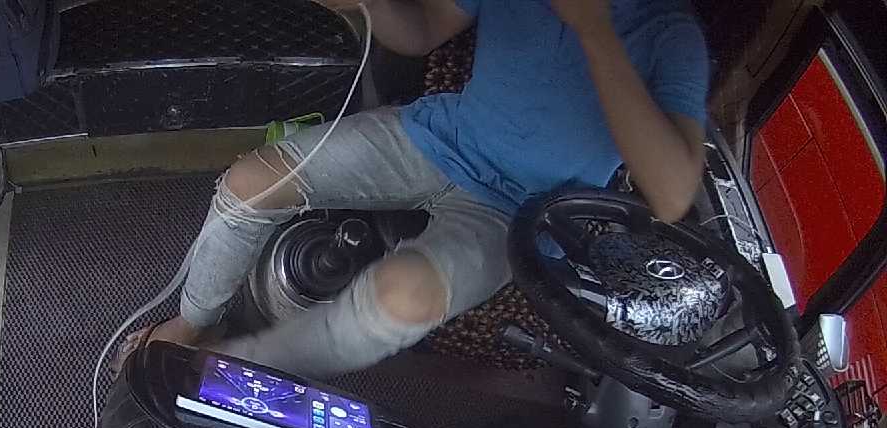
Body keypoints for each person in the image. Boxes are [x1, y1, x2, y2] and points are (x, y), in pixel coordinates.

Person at [120, 0, 710, 379]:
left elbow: (671, 193)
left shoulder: (671, 32)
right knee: (251, 183)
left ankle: (232, 368)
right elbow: (421, 30)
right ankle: (193, 324)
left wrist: (594, 30)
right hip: (440, 136)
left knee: (401, 297)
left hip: (521, 211)